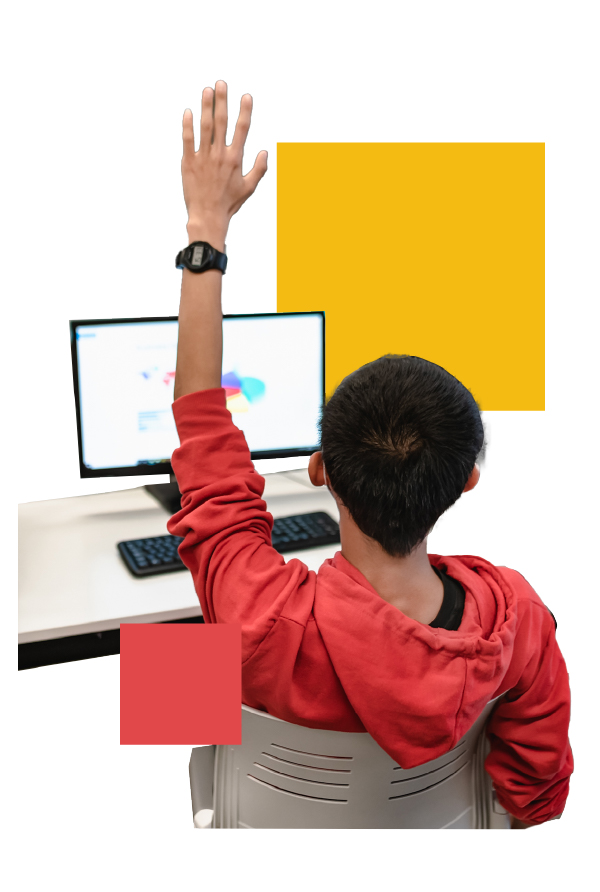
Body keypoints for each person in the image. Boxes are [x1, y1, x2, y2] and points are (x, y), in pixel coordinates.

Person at [167, 80, 573, 830]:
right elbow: (535, 791)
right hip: (430, 841)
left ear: (320, 471)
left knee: (165, 671)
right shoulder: (516, 618)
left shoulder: (259, 616)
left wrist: (206, 231)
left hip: (267, 828)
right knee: (193, 660)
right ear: (466, 481)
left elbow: (200, 424)